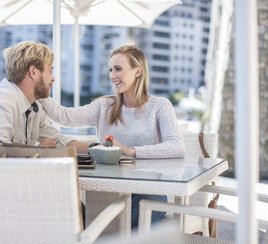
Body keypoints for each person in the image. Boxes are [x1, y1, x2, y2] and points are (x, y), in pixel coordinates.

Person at [38, 44, 185, 228]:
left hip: (148, 191)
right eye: (110, 69)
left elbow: (177, 146)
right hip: (109, 190)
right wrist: (40, 87)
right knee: (81, 212)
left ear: (138, 71)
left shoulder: (160, 106)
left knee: (116, 225)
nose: (112, 75)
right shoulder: (105, 106)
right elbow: (64, 117)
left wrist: (130, 151)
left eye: (118, 69)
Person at [0, 41, 89, 156]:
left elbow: (58, 140)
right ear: (33, 72)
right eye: (50, 70)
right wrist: (38, 151)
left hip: (1, 177)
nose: (53, 78)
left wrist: (97, 149)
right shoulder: (2, 99)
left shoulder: (34, 105)